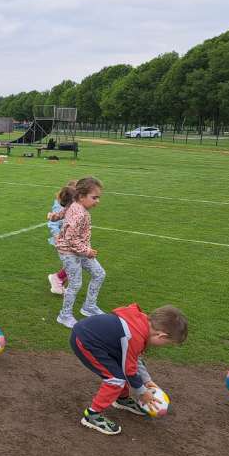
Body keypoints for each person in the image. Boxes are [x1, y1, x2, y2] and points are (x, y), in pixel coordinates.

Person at [70, 303, 188, 435]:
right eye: (167, 344)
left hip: (98, 340)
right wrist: (143, 392)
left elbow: (134, 359)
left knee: (121, 371)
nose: (163, 346)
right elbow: (129, 371)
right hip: (86, 341)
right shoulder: (134, 335)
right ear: (161, 336)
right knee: (115, 379)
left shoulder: (141, 325)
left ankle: (122, 399)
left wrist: (147, 380)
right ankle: (92, 415)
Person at [50, 177, 106, 328]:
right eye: (94, 198)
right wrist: (86, 251)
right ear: (81, 197)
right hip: (69, 252)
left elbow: (63, 212)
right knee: (75, 283)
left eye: (98, 198)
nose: (97, 201)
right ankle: (64, 315)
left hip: (79, 250)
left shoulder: (75, 206)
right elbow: (70, 239)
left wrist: (54, 216)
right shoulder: (79, 214)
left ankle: (89, 307)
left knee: (99, 274)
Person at [46, 180, 77, 295]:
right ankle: (57, 279)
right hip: (62, 239)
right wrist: (58, 236)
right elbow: (52, 223)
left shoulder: (75, 206)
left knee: (74, 262)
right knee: (74, 262)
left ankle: (58, 280)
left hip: (71, 238)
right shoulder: (60, 205)